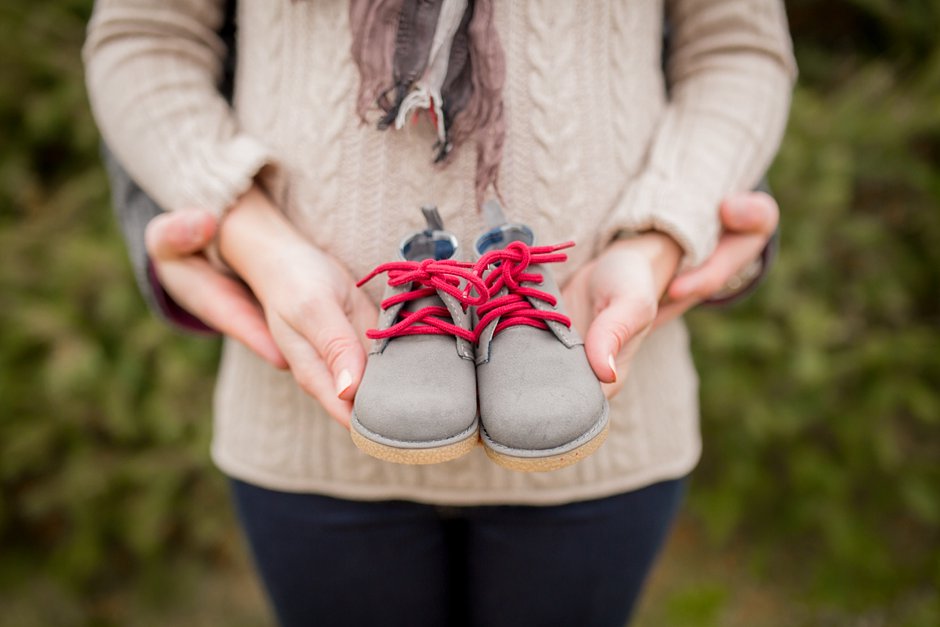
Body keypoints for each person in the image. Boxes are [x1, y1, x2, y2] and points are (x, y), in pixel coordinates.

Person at [84, 1, 795, 625]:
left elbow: (737, 46)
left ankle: (519, 297)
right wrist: (252, 238)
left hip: (612, 419)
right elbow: (145, 37)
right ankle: (424, 290)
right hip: (300, 425)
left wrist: (660, 236)